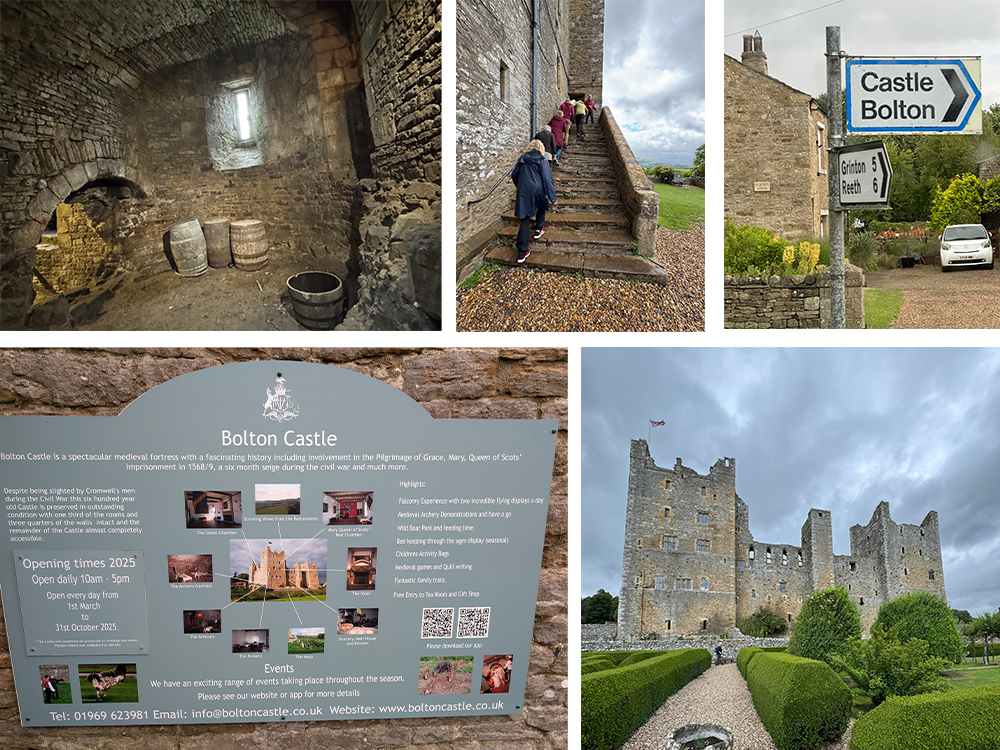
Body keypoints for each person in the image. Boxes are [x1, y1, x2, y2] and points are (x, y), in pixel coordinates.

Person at [511, 140, 557, 263]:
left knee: (525, 220)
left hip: (524, 191)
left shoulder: (522, 159)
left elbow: (514, 175)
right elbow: (548, 180)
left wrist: (520, 186)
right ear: (541, 148)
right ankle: (538, 230)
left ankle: (522, 253)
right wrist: (552, 198)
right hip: (538, 189)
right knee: (542, 204)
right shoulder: (542, 160)